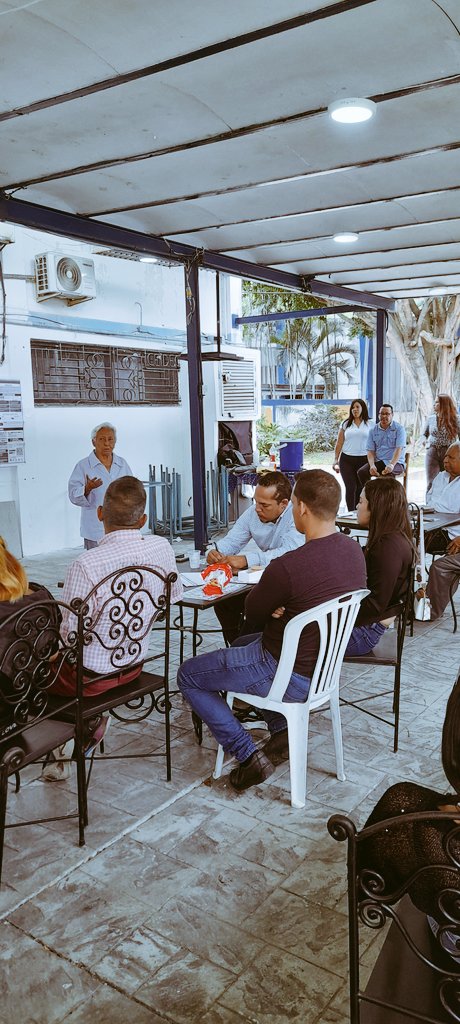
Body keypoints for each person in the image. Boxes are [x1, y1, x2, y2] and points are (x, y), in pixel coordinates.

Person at [178, 470, 366, 793]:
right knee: (242, 642)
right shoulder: (354, 552)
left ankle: (247, 754)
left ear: (301, 507)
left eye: (294, 504)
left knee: (189, 675)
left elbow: (252, 610)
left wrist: (279, 605)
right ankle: (281, 732)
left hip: (282, 671)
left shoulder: (289, 565)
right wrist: (284, 607)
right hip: (324, 669)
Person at [52, 476, 183, 699]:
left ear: (100, 513)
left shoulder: (86, 564)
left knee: (19, 676)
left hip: (89, 678)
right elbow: (174, 596)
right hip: (133, 664)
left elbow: (70, 637)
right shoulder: (161, 547)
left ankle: (83, 728)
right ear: (143, 520)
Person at [206, 471, 304, 645]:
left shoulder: (295, 515)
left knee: (256, 605)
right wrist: (215, 552)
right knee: (223, 601)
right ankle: (237, 648)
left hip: (290, 581)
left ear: (283, 504)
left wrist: (246, 560)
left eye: (264, 505)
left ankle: (244, 649)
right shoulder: (253, 512)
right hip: (263, 577)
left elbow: (289, 552)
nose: (257, 508)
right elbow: (232, 540)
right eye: (255, 502)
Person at [344, 477, 414, 657]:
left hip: (363, 633)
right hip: (366, 625)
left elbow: (375, 604)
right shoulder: (391, 539)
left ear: (376, 507)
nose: (357, 506)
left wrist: (336, 615)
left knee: (290, 632)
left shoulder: (387, 547)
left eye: (360, 502)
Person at [68, 423, 133, 549]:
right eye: (102, 439)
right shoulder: (83, 465)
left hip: (120, 526)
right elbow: (72, 494)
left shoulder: (122, 463)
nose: (107, 443)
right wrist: (87, 488)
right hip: (95, 529)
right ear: (93, 442)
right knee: (97, 564)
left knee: (120, 563)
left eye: (110, 439)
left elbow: (131, 488)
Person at [425, 442, 460, 619]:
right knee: (402, 544)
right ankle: (408, 597)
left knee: (409, 545)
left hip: (450, 535)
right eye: (445, 456)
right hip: (432, 524)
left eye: (451, 457)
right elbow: (429, 499)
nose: (445, 460)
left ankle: (427, 608)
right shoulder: (441, 477)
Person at [333, 399, 373, 510]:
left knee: (361, 488)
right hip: (347, 460)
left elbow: (375, 442)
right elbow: (339, 442)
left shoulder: (371, 423)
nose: (354, 409)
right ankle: (350, 513)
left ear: (363, 408)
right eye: (353, 407)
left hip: (364, 460)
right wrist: (336, 459)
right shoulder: (346, 423)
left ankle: (359, 511)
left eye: (357, 407)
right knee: (350, 487)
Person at [357, 404, 406, 487]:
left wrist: (391, 465)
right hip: (379, 462)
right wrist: (372, 465)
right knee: (362, 472)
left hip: (396, 463)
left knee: (387, 477)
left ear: (392, 415)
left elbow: (399, 449)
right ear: (379, 415)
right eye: (381, 414)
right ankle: (370, 494)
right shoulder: (373, 430)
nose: (384, 416)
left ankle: (389, 499)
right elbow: (370, 451)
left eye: (387, 414)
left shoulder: (399, 429)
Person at [420, 395, 460, 493]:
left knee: (449, 481)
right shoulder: (431, 419)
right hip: (432, 452)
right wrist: (423, 440)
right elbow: (423, 434)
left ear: (444, 405)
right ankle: (429, 506)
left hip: (449, 453)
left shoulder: (456, 419)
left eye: (437, 402)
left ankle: (445, 505)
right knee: (431, 482)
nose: (434, 404)